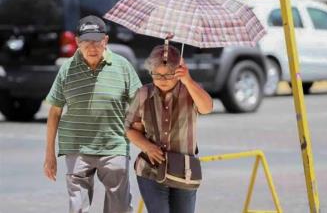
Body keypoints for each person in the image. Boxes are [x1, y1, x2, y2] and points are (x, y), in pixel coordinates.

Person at [43, 15, 141, 213]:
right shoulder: (67, 70)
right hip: (76, 146)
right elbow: (54, 111)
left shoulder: (122, 66)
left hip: (114, 146)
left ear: (105, 40)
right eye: (87, 41)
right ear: (77, 42)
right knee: (77, 208)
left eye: (97, 40)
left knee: (120, 207)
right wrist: (49, 154)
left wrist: (144, 140)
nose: (93, 46)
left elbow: (140, 106)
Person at [125, 44, 213, 213]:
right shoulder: (143, 94)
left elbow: (207, 108)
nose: (162, 80)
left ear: (178, 72)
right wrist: (147, 147)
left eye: (168, 75)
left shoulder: (189, 91)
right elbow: (131, 129)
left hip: (184, 170)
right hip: (151, 169)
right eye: (157, 75)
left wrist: (188, 80)